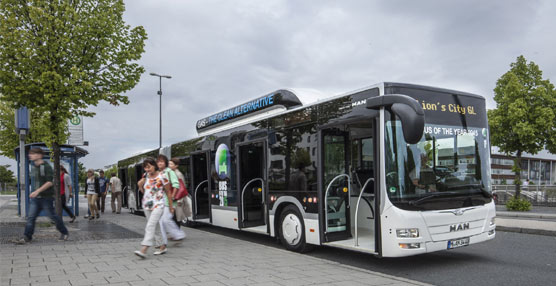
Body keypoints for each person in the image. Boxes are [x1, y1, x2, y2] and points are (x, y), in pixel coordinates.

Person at [14, 148, 69, 244]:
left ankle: (64, 232)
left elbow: (49, 182)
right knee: (31, 217)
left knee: (52, 216)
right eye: (30, 154)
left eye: (33, 153)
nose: (30, 155)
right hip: (36, 198)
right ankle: (27, 237)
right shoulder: (35, 167)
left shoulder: (45, 167)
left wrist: (37, 191)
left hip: (46, 197)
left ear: (39, 155)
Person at [134, 158, 174, 258]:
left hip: (159, 205)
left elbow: (168, 192)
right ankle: (162, 246)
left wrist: (171, 206)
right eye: (145, 167)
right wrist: (140, 185)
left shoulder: (162, 176)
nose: (147, 169)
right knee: (155, 226)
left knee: (150, 225)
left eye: (149, 167)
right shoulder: (145, 176)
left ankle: (144, 249)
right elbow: (143, 191)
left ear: (154, 166)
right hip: (147, 205)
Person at [156, 155, 186, 251]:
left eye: (162, 161)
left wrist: (172, 197)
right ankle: (163, 242)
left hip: (168, 201)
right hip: (159, 201)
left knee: (165, 220)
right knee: (161, 222)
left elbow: (176, 185)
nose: (160, 163)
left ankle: (178, 235)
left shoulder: (169, 172)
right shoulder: (158, 173)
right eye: (158, 161)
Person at [169, 158, 192, 225]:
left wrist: (179, 200)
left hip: (177, 200)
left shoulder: (178, 174)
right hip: (174, 199)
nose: (169, 165)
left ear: (176, 165)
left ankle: (177, 234)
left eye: (171, 164)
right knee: (173, 219)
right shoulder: (172, 173)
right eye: (169, 164)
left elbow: (182, 188)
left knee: (176, 219)